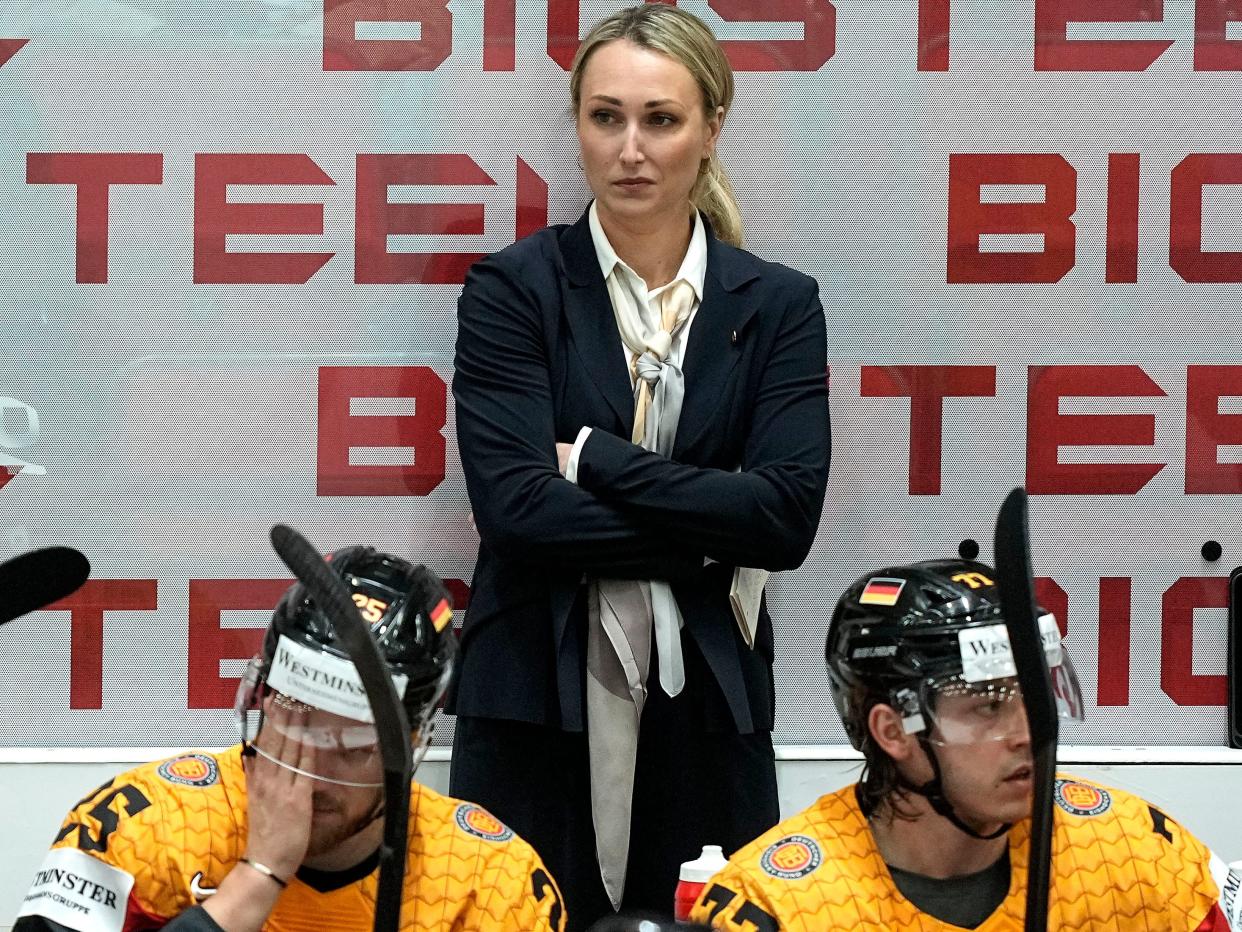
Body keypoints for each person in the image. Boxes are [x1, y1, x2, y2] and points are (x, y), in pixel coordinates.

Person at [449, 4, 831, 929]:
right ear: (577, 123)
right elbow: (519, 517)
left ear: (710, 130)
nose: (631, 148)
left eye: (661, 119)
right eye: (605, 116)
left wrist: (600, 463)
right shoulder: (513, 289)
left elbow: (784, 520)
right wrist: (708, 532)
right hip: (532, 694)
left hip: (710, 698)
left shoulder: (777, 304)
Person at [15, 547, 566, 932]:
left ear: (415, 737)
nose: (307, 767)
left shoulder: (491, 884)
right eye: (295, 717)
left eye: (352, 740)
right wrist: (254, 882)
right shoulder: (142, 825)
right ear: (261, 699)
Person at [690, 558, 1242, 931]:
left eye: (1035, 694)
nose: (1029, 735)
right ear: (892, 730)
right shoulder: (774, 908)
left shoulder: (1139, 853)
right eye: (987, 705)